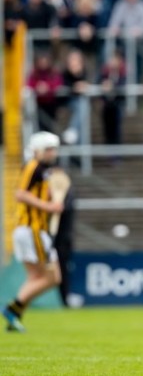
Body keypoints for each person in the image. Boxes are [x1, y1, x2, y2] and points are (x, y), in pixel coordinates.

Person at [2, 132, 64, 332]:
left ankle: (14, 316)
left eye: (53, 149)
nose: (52, 153)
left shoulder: (44, 170)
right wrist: (49, 207)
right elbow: (20, 194)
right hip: (33, 230)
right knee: (52, 277)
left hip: (30, 230)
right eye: (48, 149)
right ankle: (12, 309)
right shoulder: (33, 166)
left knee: (36, 278)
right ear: (37, 150)